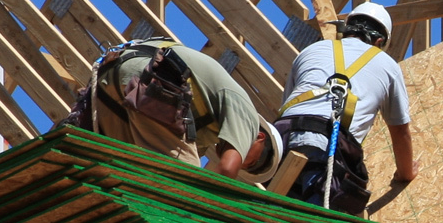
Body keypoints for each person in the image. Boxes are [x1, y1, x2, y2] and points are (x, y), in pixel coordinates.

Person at [63, 37, 281, 181]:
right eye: (250, 160)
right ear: (260, 138)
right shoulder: (246, 114)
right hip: (153, 83)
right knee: (182, 184)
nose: (241, 162)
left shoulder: (202, 132)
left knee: (122, 174)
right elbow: (226, 170)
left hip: (112, 88)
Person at [275, 2, 417, 214]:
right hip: (325, 142)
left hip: (280, 137)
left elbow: (290, 109)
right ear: (379, 42)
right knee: (316, 222)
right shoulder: (387, 66)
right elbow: (400, 132)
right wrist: (405, 174)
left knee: (276, 213)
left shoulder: (310, 51)